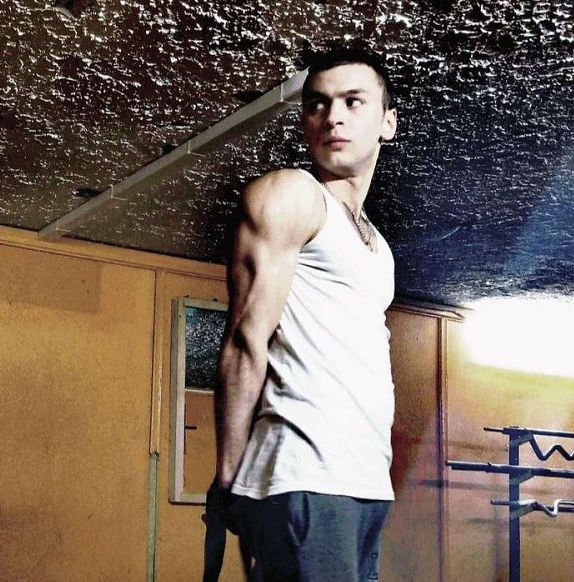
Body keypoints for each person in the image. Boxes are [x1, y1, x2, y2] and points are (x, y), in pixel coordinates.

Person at [212, 47, 398, 581]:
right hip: (304, 474)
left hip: (364, 480)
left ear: (387, 123)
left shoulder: (377, 246)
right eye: (318, 104)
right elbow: (245, 340)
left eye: (352, 102)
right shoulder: (292, 194)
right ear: (304, 121)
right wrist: (228, 477)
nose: (333, 116)